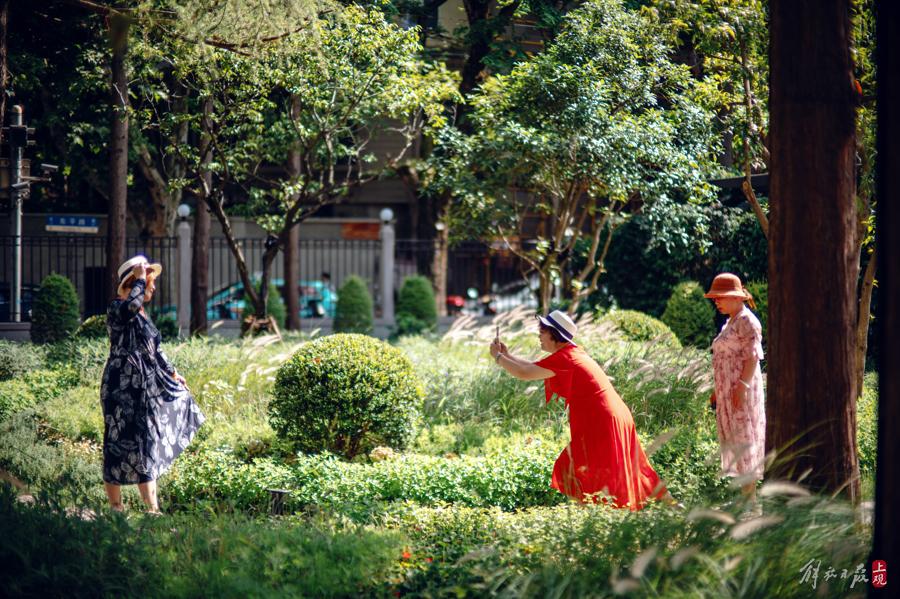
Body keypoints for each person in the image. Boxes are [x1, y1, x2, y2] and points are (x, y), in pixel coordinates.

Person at [489, 310, 671, 510]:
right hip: (614, 416)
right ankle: (671, 507)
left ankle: (597, 518)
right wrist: (507, 355)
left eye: (541, 332)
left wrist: (497, 357)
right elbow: (532, 367)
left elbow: (524, 373)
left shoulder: (566, 358)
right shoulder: (572, 353)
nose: (538, 336)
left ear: (553, 334)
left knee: (578, 470)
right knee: (628, 467)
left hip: (603, 420)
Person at [100, 255, 205, 513]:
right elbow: (129, 309)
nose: (153, 287)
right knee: (116, 441)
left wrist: (173, 373)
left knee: (145, 441)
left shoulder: (143, 314)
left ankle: (152, 509)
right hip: (120, 386)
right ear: (133, 282)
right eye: (150, 281)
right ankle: (116, 506)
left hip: (145, 386)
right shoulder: (117, 307)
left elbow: (155, 348)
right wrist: (138, 279)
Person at [704, 273, 765, 500]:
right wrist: (717, 390)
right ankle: (746, 501)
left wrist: (742, 386)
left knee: (744, 441)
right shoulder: (731, 321)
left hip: (741, 392)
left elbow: (752, 357)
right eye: (715, 298)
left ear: (736, 297)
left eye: (720, 297)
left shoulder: (747, 321)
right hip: (728, 392)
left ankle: (751, 504)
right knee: (736, 442)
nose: (716, 301)